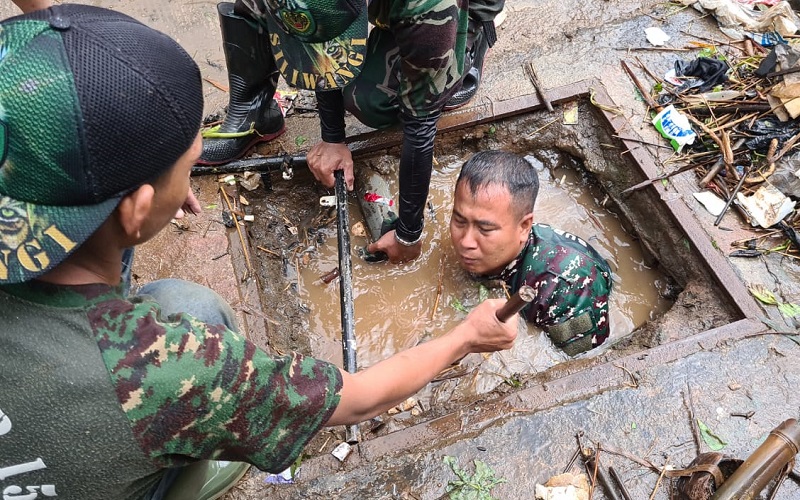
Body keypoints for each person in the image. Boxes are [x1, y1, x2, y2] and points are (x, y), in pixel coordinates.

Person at [0, 6, 518, 500]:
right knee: (197, 314)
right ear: (135, 208)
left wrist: (151, 185)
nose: (194, 169)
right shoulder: (175, 369)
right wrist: (468, 334)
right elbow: (361, 396)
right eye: (187, 164)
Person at [200, 0, 504, 263]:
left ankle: (471, 41)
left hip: (444, 13)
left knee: (370, 100)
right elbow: (318, 48)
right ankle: (255, 111)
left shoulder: (427, 8)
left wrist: (409, 234)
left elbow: (420, 125)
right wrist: (333, 138)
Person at [449, 151, 613, 356]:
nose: (465, 241)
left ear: (524, 226)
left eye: (485, 229)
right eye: (459, 221)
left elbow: (581, 362)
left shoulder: (567, 289)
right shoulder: (486, 245)